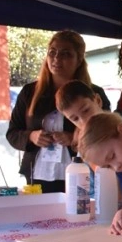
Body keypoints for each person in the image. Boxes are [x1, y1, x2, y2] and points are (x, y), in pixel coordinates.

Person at [6, 30, 110, 193]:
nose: (56, 59)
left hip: (82, 173)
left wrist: (74, 138)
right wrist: (31, 137)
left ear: (79, 59)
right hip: (38, 176)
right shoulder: (29, 92)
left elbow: (106, 134)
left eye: (66, 54)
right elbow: (12, 134)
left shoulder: (93, 93)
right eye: (52, 52)